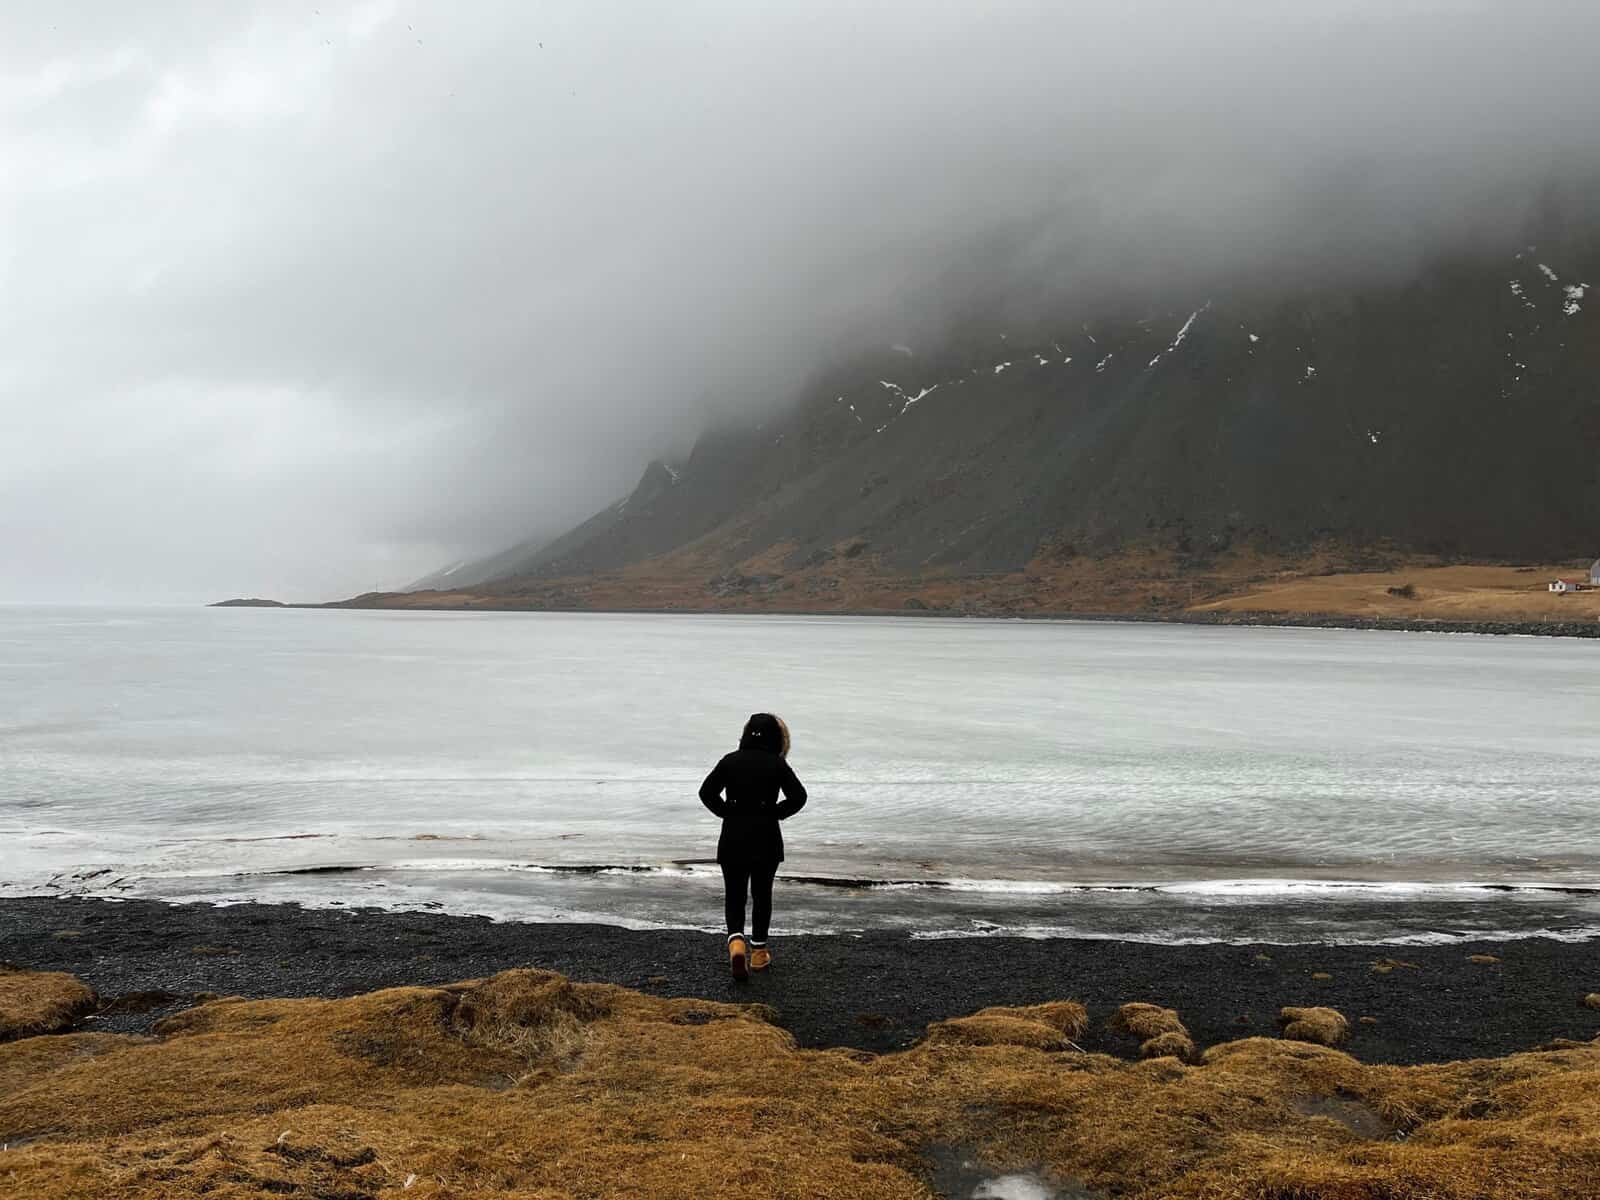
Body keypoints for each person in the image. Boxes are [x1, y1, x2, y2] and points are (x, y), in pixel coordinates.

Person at [698, 712, 807, 980]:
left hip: (733, 836)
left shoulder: (730, 761)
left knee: (734, 894)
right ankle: (758, 953)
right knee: (761, 894)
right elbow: (799, 796)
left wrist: (726, 811)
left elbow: (706, 792)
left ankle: (736, 942)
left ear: (746, 733)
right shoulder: (777, 764)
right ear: (777, 737)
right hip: (766, 836)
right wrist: (775, 812)